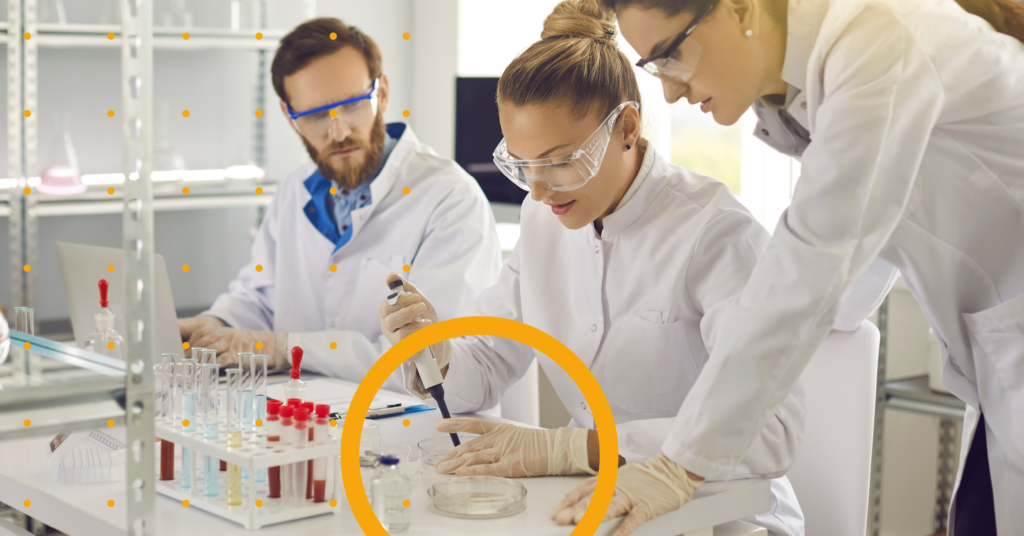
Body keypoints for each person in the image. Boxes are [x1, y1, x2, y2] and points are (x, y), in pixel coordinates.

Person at [548, 0, 1024, 533]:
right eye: (654, 68)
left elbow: (813, 263)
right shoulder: (818, 82)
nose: (670, 91)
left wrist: (675, 467)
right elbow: (845, 276)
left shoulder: (879, 44)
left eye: (671, 55)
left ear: (740, 8)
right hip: (998, 372)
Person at [380, 1, 815, 533]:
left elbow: (770, 427)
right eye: (524, 165)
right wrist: (436, 351)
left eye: (560, 162)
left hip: (723, 517)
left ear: (627, 126)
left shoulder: (716, 234)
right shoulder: (545, 220)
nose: (538, 191)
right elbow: (490, 362)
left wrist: (572, 448)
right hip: (596, 504)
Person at [178, 18, 502, 390]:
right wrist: (216, 325)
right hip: (310, 421)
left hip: (424, 432)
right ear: (289, 117)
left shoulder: (450, 198)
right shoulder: (294, 191)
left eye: (352, 106)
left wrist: (287, 348)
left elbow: (440, 360)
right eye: (315, 116)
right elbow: (259, 298)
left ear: (381, 93)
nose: (339, 132)